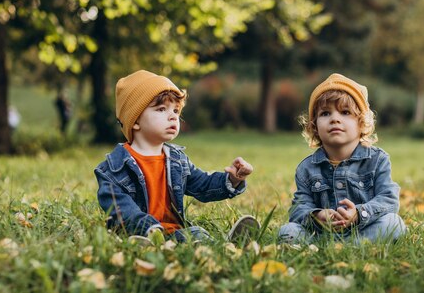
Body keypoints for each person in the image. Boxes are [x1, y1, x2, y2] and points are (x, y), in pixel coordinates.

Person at [94, 70, 259, 244]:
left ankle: (226, 245)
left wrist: (232, 179)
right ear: (134, 120)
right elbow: (119, 206)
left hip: (174, 233)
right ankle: (212, 246)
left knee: (195, 233)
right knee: (190, 237)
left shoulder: (176, 160)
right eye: (161, 109)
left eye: (176, 110)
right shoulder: (114, 167)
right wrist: (149, 228)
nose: (173, 116)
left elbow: (202, 185)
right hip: (139, 234)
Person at [278, 73, 406, 244]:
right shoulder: (306, 168)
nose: (335, 119)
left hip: (365, 230)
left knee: (393, 223)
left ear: (361, 123)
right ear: (314, 126)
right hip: (322, 234)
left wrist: (360, 214)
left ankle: (346, 246)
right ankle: (334, 245)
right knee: (288, 231)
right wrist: (317, 216)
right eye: (325, 114)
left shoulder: (377, 160)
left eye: (345, 112)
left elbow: (389, 199)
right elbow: (298, 209)